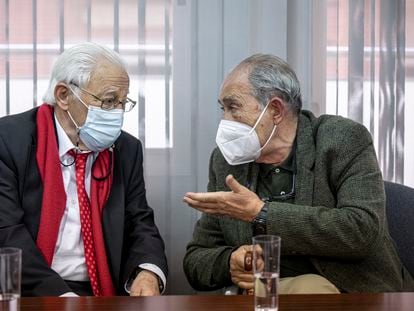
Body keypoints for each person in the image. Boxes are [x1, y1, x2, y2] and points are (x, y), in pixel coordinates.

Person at [183, 54, 414, 293]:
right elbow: (196, 259)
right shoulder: (226, 162)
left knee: (309, 287)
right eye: (223, 109)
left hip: (352, 291)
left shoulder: (342, 140)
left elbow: (361, 230)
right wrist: (230, 262)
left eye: (233, 107)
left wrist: (260, 213)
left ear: (275, 110)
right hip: (266, 296)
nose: (225, 120)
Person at [0, 42, 167, 297]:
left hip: (102, 291)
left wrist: (146, 271)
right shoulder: (9, 140)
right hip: (30, 291)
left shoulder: (126, 149)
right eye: (109, 101)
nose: (118, 113)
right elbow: (7, 233)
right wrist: (63, 298)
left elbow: (139, 222)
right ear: (64, 96)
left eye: (124, 103)